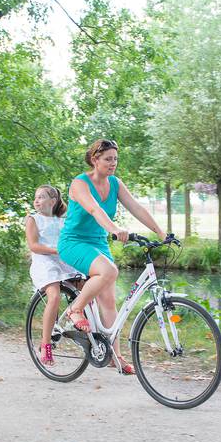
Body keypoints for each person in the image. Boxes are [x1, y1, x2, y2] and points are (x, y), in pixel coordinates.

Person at [58, 138, 167, 375]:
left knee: (109, 302)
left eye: (115, 159)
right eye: (108, 159)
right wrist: (115, 230)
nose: (113, 163)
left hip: (98, 244)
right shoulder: (80, 183)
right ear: (95, 159)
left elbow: (136, 207)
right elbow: (95, 209)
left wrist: (161, 231)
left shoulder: (115, 184)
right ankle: (75, 309)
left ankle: (114, 357)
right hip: (74, 242)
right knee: (109, 271)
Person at [25, 185, 82, 366]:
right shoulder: (33, 219)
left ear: (53, 201)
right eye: (36, 197)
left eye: (41, 197)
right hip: (44, 261)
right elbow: (33, 246)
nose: (37, 200)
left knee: (86, 285)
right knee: (54, 295)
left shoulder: (61, 221)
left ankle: (80, 321)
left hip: (61, 260)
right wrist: (56, 250)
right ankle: (45, 344)